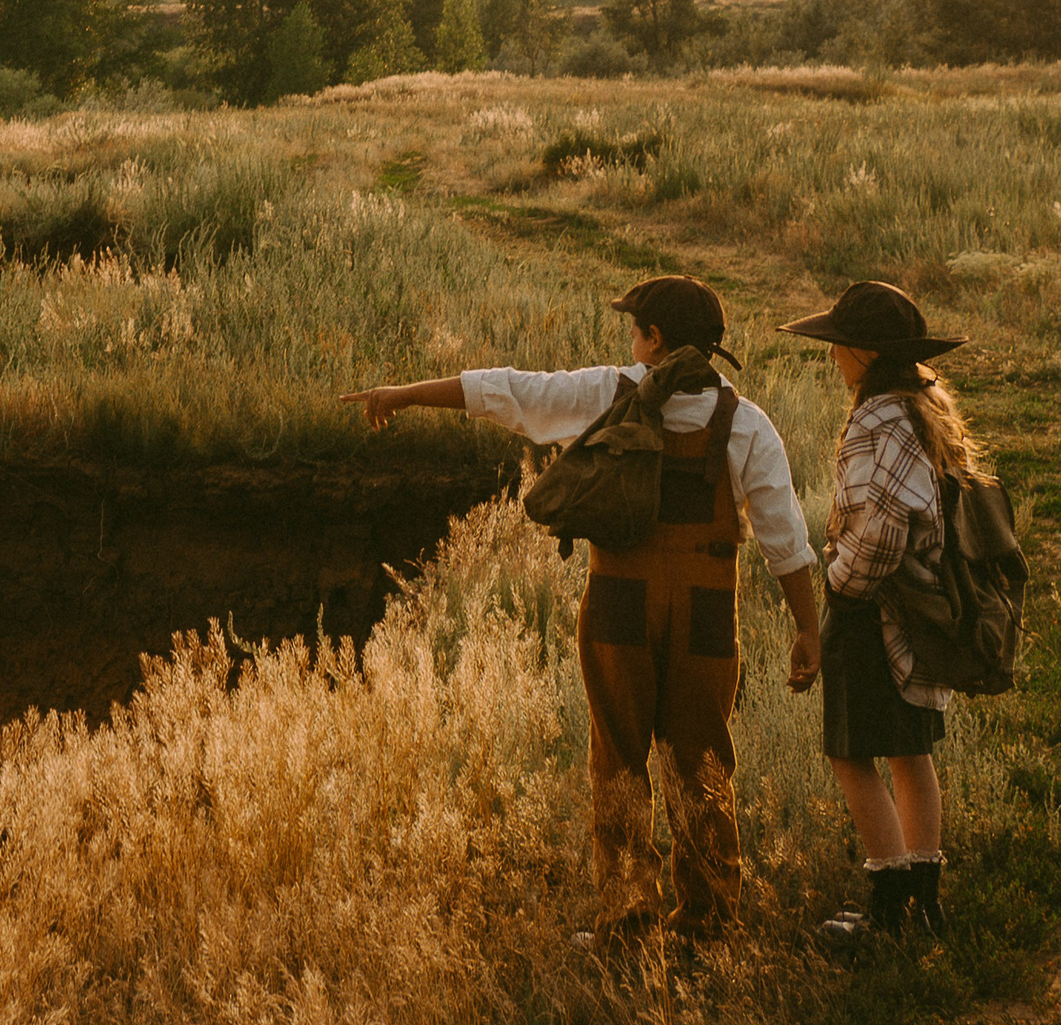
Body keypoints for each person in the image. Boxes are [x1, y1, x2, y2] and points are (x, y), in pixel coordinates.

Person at [343, 275, 822, 944]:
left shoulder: (609, 394)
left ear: (653, 339)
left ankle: (629, 917)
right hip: (708, 612)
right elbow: (786, 541)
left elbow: (510, 391)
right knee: (703, 760)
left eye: (636, 328)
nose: (630, 339)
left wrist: (405, 393)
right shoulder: (746, 422)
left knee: (619, 755)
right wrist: (807, 626)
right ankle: (711, 918)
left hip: (620, 600)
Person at [776, 280, 980, 941]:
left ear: (863, 351)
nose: (833, 357)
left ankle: (888, 904)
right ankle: (927, 898)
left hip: (874, 610)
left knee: (852, 752)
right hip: (922, 607)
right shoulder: (925, 410)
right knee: (910, 750)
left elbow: (883, 529)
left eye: (839, 345)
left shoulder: (879, 419)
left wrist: (840, 587)